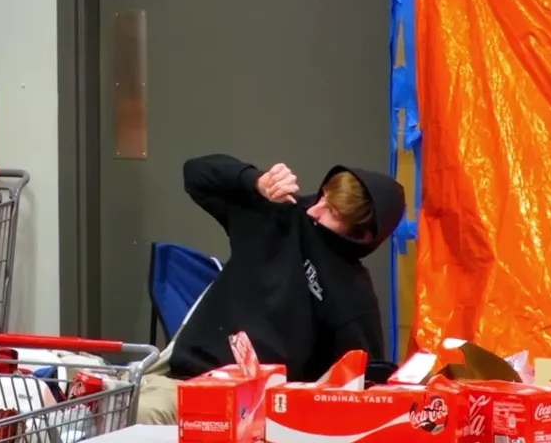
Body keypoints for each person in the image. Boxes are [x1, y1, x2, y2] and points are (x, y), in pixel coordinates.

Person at [136, 154, 405, 424]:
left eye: (331, 212)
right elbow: (196, 174)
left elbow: (365, 386)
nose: (315, 210)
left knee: (141, 414)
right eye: (323, 197)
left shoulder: (353, 298)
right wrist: (256, 181)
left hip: (255, 410)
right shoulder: (280, 212)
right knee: (121, 405)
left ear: (361, 235)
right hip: (182, 378)